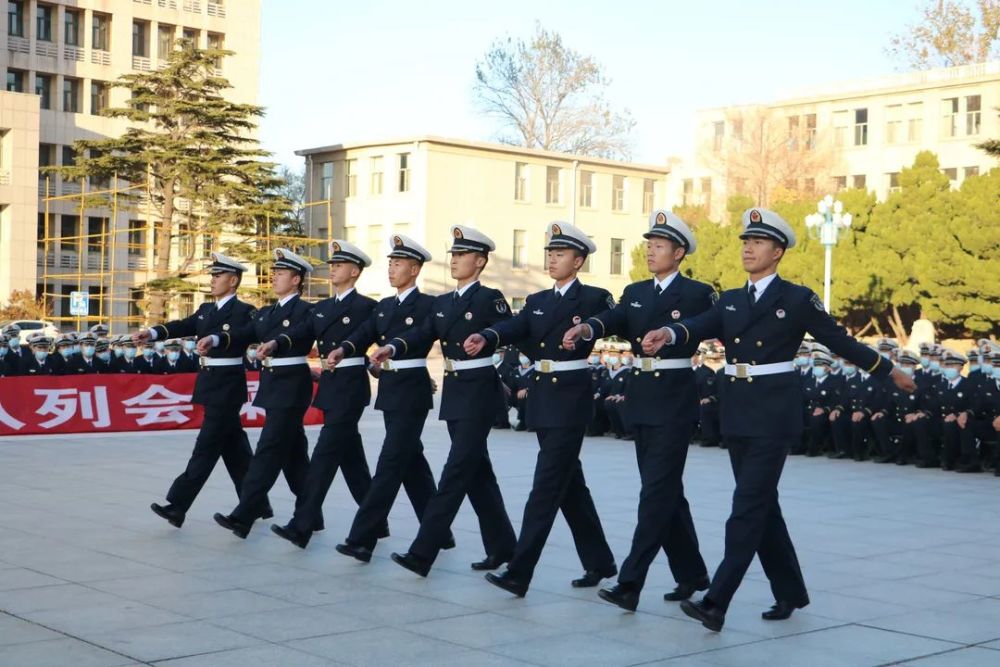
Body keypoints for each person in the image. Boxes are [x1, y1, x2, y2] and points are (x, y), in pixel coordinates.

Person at [642, 207, 914, 631]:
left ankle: (716, 601)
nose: (749, 248)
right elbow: (697, 324)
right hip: (737, 412)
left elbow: (838, 339)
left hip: (773, 414)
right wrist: (669, 333)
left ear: (778, 251)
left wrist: (885, 369)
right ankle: (789, 591)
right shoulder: (731, 298)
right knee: (762, 506)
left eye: (759, 242)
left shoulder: (796, 299)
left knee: (746, 508)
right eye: (746, 242)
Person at [563, 209, 712, 612]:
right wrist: (588, 328)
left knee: (655, 494)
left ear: (679, 252)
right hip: (642, 398)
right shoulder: (636, 292)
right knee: (666, 494)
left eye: (659, 246)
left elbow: (710, 325)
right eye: (648, 245)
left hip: (675, 400)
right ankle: (693, 573)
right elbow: (613, 318)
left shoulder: (698, 293)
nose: (650, 251)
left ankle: (630, 582)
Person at [468, 221, 617, 597]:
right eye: (549, 253)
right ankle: (599, 561)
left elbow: (607, 324)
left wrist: (584, 332)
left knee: (546, 485)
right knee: (570, 486)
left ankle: (520, 572)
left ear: (579, 260)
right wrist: (487, 335)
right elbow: (516, 328)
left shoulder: (595, 298)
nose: (552, 259)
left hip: (570, 398)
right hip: (544, 396)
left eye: (560, 253)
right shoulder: (536, 302)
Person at [385, 226, 517, 577]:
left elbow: (512, 328)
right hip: (455, 390)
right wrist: (393, 346)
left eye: (461, 255)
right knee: (477, 474)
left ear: (480, 261)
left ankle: (422, 552)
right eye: (453, 255)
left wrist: (488, 335)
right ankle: (504, 546)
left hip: (479, 391)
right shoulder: (443, 302)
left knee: (456, 470)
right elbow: (421, 333)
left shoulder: (490, 297)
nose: (454, 260)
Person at [329, 234, 451, 563]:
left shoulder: (428, 305)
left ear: (414, 269)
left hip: (412, 390)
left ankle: (362, 539)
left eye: (398, 264)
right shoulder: (384, 306)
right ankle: (439, 532)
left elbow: (420, 334)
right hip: (390, 390)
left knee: (390, 463)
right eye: (390, 263)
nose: (392, 269)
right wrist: (344, 348)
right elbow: (363, 333)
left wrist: (393, 347)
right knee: (411, 462)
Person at [137, 252, 272, 529]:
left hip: (227, 384)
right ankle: (256, 503)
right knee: (234, 449)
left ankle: (178, 505)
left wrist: (217, 338)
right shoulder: (205, 310)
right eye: (212, 275)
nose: (212, 280)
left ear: (233, 281)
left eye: (218, 276)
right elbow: (182, 325)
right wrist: (152, 333)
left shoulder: (245, 311)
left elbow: (249, 333)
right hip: (209, 381)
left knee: (206, 447)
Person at [267, 240, 386, 549]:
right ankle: (378, 522)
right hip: (331, 386)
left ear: (355, 271)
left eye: (339, 264)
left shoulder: (366, 307)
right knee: (353, 462)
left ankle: (301, 525)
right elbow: (300, 332)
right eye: (332, 264)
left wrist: (384, 367)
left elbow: (382, 338)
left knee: (323, 456)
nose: (332, 268)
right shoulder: (322, 308)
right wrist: (277, 342)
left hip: (350, 387)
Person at [213, 248, 317, 539]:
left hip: (291, 388)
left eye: (281, 274)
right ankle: (313, 515)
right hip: (274, 386)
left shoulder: (306, 311)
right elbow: (244, 332)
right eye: (274, 272)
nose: (274, 277)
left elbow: (299, 335)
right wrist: (216, 338)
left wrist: (276, 344)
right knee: (295, 456)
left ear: (296, 280)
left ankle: (244, 515)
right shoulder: (268, 312)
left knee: (268, 451)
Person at [937, 349, 981, 473]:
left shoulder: (969, 385)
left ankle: (957, 460)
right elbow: (934, 406)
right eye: (947, 365)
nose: (949, 368)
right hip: (941, 418)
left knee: (957, 424)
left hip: (960, 419)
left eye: (953, 365)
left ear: (961, 367)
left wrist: (958, 414)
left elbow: (974, 405)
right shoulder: (940, 385)